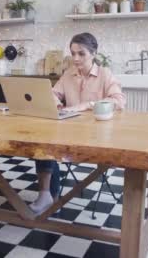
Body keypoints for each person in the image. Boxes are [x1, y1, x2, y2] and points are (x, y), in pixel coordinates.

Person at [29, 32, 126, 213]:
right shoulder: (68, 74)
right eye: (73, 53)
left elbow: (119, 101)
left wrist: (85, 105)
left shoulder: (105, 74)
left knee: (52, 144)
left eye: (81, 53)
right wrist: (56, 105)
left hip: (98, 136)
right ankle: (47, 196)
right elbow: (53, 94)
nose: (75, 58)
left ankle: (50, 195)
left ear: (94, 53)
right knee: (44, 142)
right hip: (70, 133)